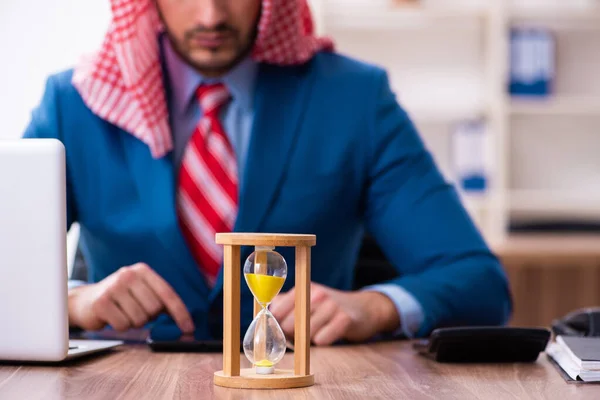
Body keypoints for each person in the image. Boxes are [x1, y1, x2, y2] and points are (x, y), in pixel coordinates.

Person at [23, 0, 512, 345]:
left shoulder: (355, 100)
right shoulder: (73, 106)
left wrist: (376, 306)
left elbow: (480, 283)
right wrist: (72, 302)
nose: (210, 15)